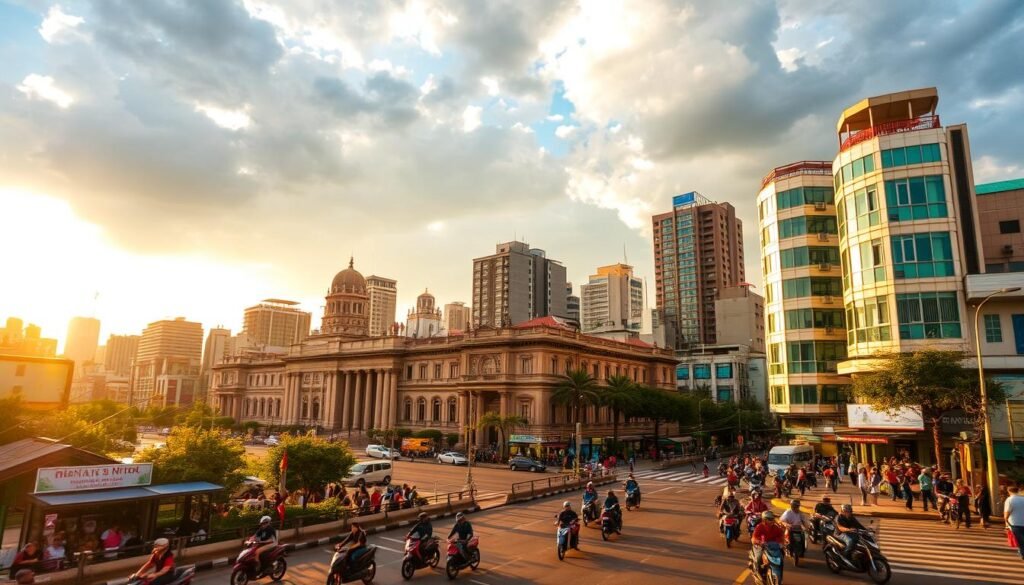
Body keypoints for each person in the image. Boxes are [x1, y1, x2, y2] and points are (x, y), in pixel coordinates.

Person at [1004, 486, 1024, 560]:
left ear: (1009, 491)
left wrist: (1006, 523)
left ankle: (1022, 554)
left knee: (1020, 540)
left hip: (1015, 523)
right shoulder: (1023, 498)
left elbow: (1006, 513)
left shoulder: (1009, 500)